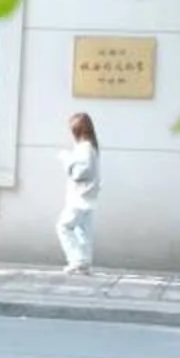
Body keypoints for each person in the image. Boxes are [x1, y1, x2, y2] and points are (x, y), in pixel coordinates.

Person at [58, 112, 101, 273]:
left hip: (79, 198)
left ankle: (77, 260)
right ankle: (84, 263)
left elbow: (79, 174)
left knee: (64, 227)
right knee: (83, 231)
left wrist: (66, 160)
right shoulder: (92, 147)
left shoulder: (84, 149)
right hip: (88, 197)